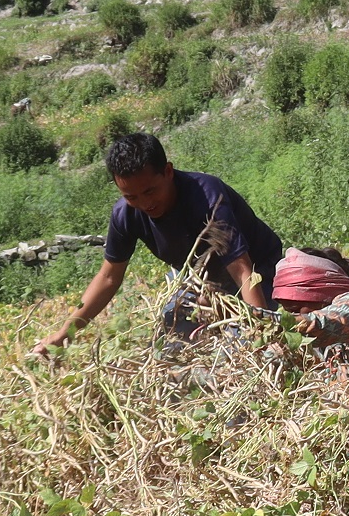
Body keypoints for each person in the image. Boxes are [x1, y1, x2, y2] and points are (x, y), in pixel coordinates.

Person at [39, 132, 283, 356]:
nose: (145, 204)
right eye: (131, 196)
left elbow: (243, 270)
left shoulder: (206, 197)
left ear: (168, 171)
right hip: (202, 280)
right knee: (168, 349)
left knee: (238, 347)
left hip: (261, 273)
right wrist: (63, 335)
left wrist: (260, 330)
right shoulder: (125, 214)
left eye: (150, 191)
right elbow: (109, 277)